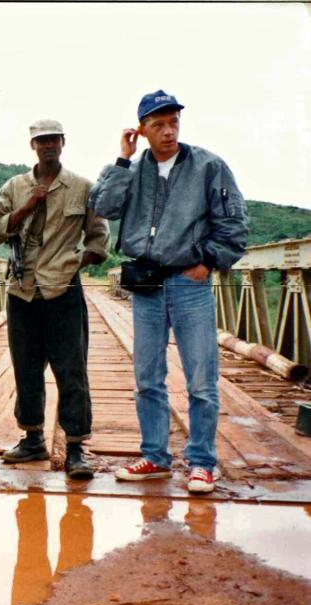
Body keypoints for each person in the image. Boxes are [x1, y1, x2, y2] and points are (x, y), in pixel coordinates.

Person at [89, 90, 248, 493]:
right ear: (141, 130)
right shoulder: (134, 167)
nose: (168, 131)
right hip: (147, 284)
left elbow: (233, 224)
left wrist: (208, 262)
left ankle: (202, 463)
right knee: (147, 376)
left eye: (173, 121)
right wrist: (122, 160)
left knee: (201, 378)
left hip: (188, 282)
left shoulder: (209, 166)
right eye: (158, 124)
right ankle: (156, 457)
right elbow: (104, 207)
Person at [0, 119, 110, 479]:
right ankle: (32, 439)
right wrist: (25, 207)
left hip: (63, 293)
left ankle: (75, 448)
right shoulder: (14, 187)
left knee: (71, 370)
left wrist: (74, 265)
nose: (48, 146)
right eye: (41, 141)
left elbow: (99, 237)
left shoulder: (83, 188)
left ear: (63, 143)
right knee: (26, 369)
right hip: (22, 292)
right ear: (32, 146)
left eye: (53, 139)